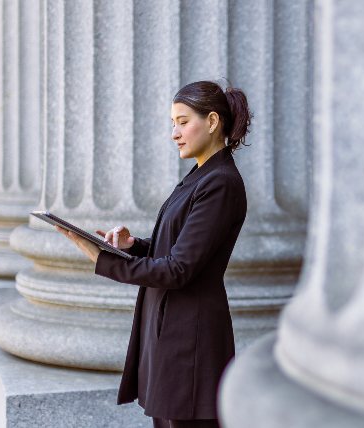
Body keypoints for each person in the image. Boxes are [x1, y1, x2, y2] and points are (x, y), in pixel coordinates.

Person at [57, 79, 251, 428]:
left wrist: (102, 260)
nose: (175, 133)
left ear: (211, 122)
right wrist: (134, 246)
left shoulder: (220, 182)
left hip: (190, 340)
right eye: (172, 124)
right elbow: (180, 248)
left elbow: (178, 270)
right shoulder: (201, 175)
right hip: (172, 332)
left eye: (182, 121)